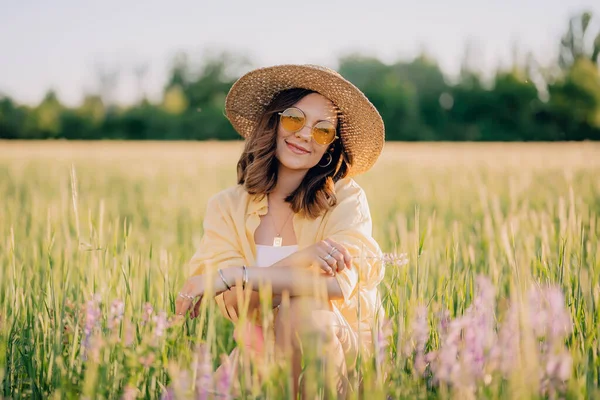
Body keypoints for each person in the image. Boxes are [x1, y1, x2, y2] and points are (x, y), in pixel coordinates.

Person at [174, 64, 385, 398]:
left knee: (299, 313)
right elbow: (236, 304)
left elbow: (337, 284)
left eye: (323, 130)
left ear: (331, 146)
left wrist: (235, 274)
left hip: (333, 353)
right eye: (294, 118)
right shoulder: (226, 207)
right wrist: (299, 260)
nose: (304, 134)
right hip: (260, 354)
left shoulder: (346, 197)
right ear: (274, 122)